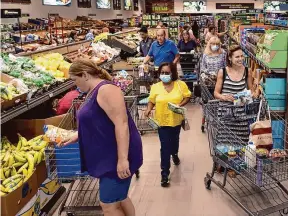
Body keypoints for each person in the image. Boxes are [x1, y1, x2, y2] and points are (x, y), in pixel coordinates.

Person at [62, 59, 143, 216]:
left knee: (108, 206)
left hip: (116, 155)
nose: (75, 85)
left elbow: (122, 125)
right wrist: (78, 134)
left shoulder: (106, 90)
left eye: (75, 80)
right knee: (120, 197)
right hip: (108, 155)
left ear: (84, 75)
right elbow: (99, 119)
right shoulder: (93, 91)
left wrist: (122, 160)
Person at [144, 62, 191, 187]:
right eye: (162, 73)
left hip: (176, 120)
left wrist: (180, 105)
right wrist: (148, 109)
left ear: (173, 73)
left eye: (167, 72)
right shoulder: (155, 87)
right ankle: (164, 173)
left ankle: (175, 153)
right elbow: (152, 100)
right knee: (164, 147)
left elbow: (187, 97)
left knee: (174, 141)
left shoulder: (180, 85)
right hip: (161, 121)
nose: (164, 75)